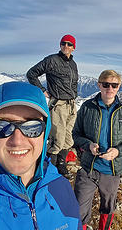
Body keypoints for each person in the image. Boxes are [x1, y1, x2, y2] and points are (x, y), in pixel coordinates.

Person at [0, 81, 82, 230]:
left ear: (45, 133)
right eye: (2, 127)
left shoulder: (61, 188)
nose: (17, 141)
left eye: (32, 127)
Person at [72, 70, 122, 230]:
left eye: (114, 85)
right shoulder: (87, 107)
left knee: (108, 208)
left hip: (112, 171)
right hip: (89, 168)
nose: (110, 88)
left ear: (119, 87)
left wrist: (117, 152)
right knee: (79, 209)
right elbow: (76, 134)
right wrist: (88, 145)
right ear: (99, 85)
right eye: (106, 84)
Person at [26, 34, 78, 178]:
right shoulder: (52, 60)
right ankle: (48, 167)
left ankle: (61, 164)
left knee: (68, 138)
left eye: (69, 44)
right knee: (57, 138)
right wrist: (43, 90)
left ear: (74, 48)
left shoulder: (73, 64)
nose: (66, 46)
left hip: (71, 104)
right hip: (58, 104)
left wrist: (74, 95)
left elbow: (73, 83)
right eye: (63, 43)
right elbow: (31, 74)